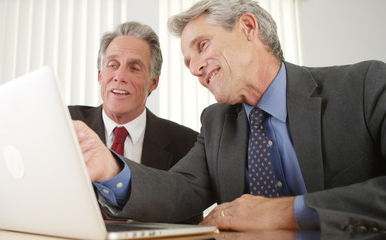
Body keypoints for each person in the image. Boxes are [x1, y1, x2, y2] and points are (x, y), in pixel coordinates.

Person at [73, 0, 386, 233]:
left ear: (248, 27)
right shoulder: (216, 122)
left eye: (203, 45)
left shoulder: (364, 86)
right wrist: (110, 168)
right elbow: (179, 190)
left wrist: (289, 211)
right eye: (188, 61)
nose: (195, 68)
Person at [69, 22, 201, 222]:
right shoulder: (65, 123)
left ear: (153, 82)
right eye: (112, 65)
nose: (119, 77)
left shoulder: (187, 143)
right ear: (100, 75)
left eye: (134, 68)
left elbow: (188, 221)